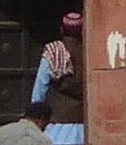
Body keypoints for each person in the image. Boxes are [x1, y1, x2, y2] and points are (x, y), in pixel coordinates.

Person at [33, 11, 87, 145]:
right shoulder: (88, 50)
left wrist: (35, 112)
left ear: (62, 29)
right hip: (83, 121)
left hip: (58, 122)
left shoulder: (54, 51)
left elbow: (41, 85)